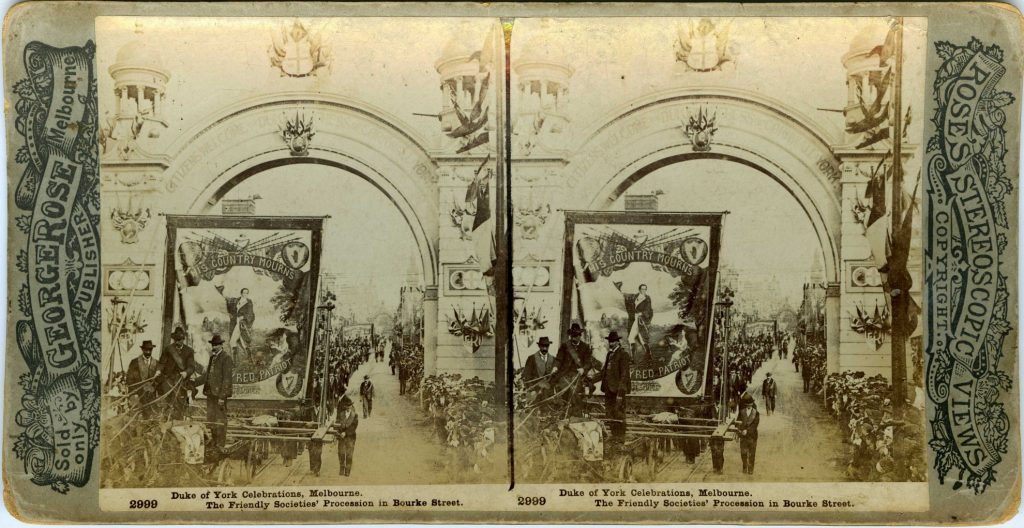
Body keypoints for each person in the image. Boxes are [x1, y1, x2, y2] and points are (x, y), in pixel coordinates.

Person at [202, 335, 233, 453]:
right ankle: (214, 443)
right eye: (213, 345)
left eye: (216, 345)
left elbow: (227, 379)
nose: (214, 347)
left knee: (220, 420)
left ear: (221, 345)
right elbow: (208, 375)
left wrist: (222, 397)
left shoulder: (226, 358)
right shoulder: (212, 358)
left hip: (219, 395)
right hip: (210, 394)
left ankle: (220, 445)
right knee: (211, 420)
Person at [600, 331, 631, 444]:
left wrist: (620, 394)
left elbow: (624, 376)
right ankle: (614, 439)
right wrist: (591, 379)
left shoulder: (623, 355)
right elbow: (604, 372)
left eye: (613, 341)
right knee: (610, 415)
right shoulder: (609, 354)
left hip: (617, 392)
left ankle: (620, 441)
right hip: (608, 391)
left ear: (618, 341)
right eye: (610, 341)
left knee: (619, 416)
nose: (611, 343)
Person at [159, 327, 196, 420]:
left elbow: (191, 367)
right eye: (175, 339)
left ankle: (178, 419)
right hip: (168, 379)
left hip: (181, 380)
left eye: (179, 340)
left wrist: (186, 373)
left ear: (183, 339)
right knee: (166, 400)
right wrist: (158, 370)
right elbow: (162, 363)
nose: (177, 342)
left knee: (180, 402)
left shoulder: (189, 351)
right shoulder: (168, 349)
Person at [216, 286, 255, 363]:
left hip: (242, 323)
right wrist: (222, 293)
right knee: (241, 342)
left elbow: (251, 313)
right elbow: (229, 300)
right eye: (244, 293)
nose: (245, 294)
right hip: (234, 322)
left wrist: (244, 317)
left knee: (234, 342)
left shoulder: (249, 302)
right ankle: (242, 361)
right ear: (241, 293)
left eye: (247, 293)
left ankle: (239, 361)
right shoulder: (236, 300)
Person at [126, 340, 160, 417]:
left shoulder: (157, 363)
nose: (148, 352)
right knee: (136, 417)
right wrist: (134, 394)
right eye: (146, 350)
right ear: (142, 350)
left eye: (150, 350)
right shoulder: (134, 362)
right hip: (138, 394)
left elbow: (159, 382)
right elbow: (129, 380)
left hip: (151, 397)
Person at [625, 284, 654, 362]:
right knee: (630, 338)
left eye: (645, 289)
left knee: (642, 339)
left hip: (641, 320)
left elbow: (648, 309)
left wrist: (643, 313)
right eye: (642, 289)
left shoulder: (647, 298)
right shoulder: (635, 296)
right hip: (634, 320)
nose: (643, 290)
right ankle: (633, 358)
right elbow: (629, 299)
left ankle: (649, 356)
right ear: (639, 289)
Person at [736, 392, 760, 475]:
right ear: (746, 404)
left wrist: (747, 431)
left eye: (751, 403)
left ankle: (750, 468)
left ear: (753, 403)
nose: (749, 405)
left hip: (752, 436)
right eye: (748, 404)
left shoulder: (756, 413)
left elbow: (755, 425)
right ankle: (744, 466)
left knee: (752, 453)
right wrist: (740, 430)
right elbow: (738, 422)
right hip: (743, 436)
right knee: (743, 452)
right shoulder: (741, 412)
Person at [335, 395, 359, 476]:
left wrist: (346, 433)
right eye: (347, 406)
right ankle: (342, 467)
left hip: (350, 437)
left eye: (350, 406)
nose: (348, 408)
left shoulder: (355, 416)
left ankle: (347, 470)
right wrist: (338, 432)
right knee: (341, 453)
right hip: (341, 437)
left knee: (349, 454)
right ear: (345, 407)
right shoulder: (341, 414)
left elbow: (353, 427)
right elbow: (337, 424)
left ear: (352, 406)